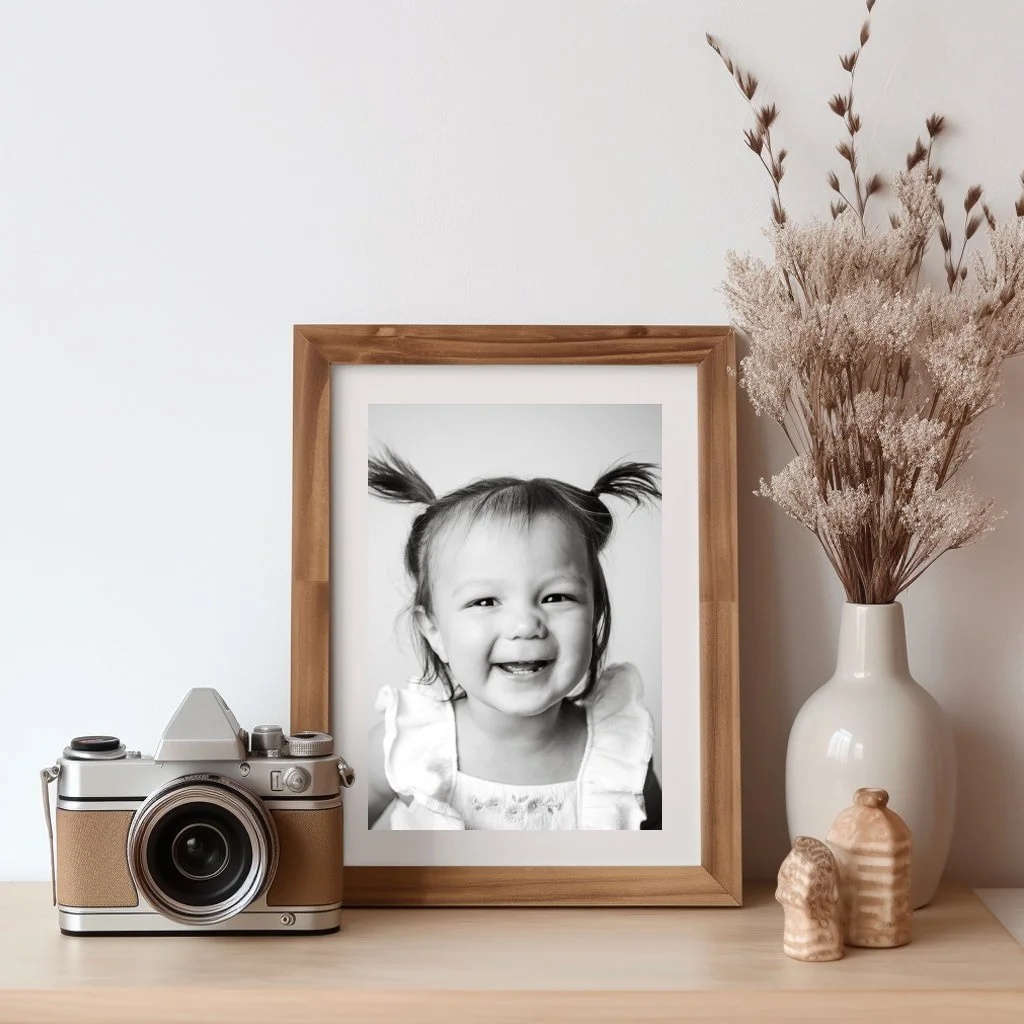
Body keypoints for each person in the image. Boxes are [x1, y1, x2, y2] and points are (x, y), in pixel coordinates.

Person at [367, 448, 663, 831]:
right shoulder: (405, 746)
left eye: (556, 597)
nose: (525, 625)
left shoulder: (622, 750)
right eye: (485, 601)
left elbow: (667, 866)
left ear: (595, 615)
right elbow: (333, 854)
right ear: (435, 631)